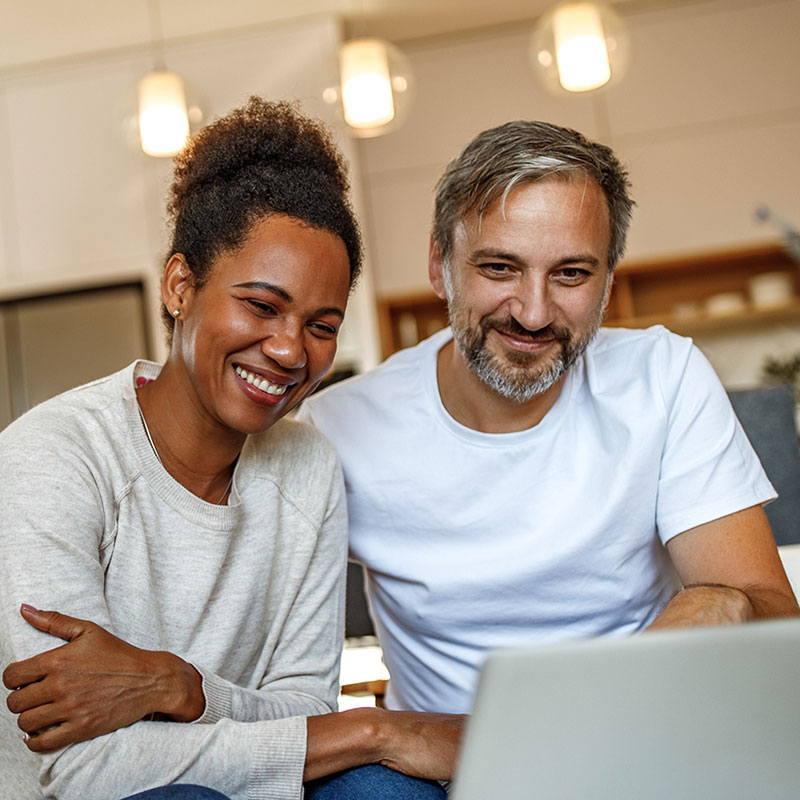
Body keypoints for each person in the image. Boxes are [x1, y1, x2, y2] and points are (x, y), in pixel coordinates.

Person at [0, 98, 460, 800]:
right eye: (262, 305)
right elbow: (87, 768)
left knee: (387, 790)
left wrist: (174, 685)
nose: (288, 349)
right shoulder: (55, 457)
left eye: (321, 325)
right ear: (181, 286)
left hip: (239, 784)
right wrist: (377, 730)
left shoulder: (308, 468)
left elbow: (305, 708)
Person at [299, 119, 800, 715]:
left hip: (646, 730)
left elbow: (774, 623)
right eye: (499, 268)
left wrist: (729, 603)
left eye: (571, 273)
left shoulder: (664, 377)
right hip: (445, 764)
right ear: (440, 265)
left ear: (608, 281)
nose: (534, 314)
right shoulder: (336, 428)